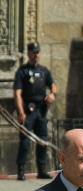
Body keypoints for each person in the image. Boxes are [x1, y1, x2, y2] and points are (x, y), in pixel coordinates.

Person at [14, 42, 57, 181]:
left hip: (42, 110)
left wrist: (52, 94)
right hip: (28, 110)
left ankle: (42, 170)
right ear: (29, 53)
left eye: (38, 52)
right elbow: (17, 93)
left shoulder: (44, 71)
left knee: (42, 140)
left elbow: (54, 85)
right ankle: (21, 170)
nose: (36, 55)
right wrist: (21, 112)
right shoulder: (22, 71)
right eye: (33, 52)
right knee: (25, 141)